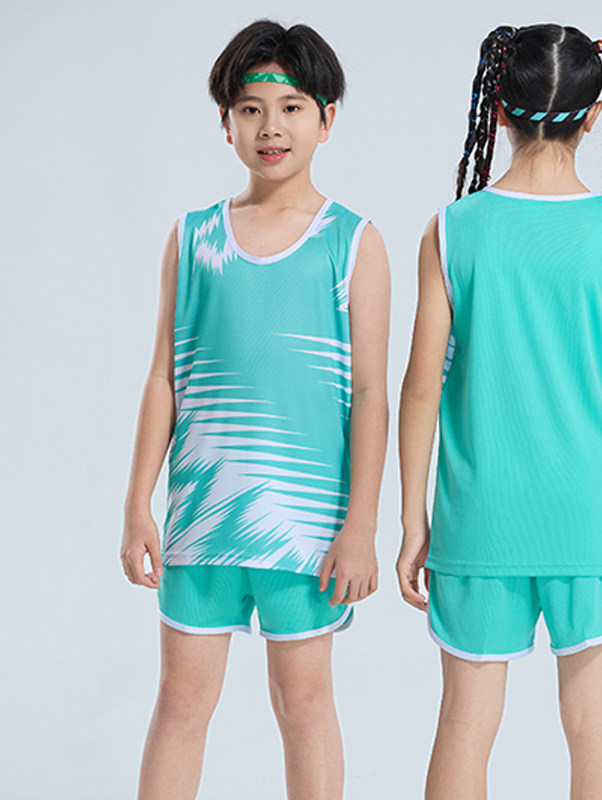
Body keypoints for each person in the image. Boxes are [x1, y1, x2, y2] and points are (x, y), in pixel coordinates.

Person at [397, 23, 602, 800]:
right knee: (596, 724)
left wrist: (413, 521)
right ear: (595, 116)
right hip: (590, 520)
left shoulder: (451, 231)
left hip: (478, 518)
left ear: (498, 109)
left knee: (464, 724)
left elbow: (419, 388)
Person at [120, 19, 390, 800]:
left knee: (304, 705)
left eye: (291, 107)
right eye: (251, 109)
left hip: (307, 533)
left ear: (326, 119)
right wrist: (138, 504)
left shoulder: (353, 243)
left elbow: (371, 394)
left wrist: (361, 526)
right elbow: (163, 379)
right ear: (226, 122)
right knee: (180, 701)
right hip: (201, 524)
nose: (271, 127)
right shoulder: (193, 239)